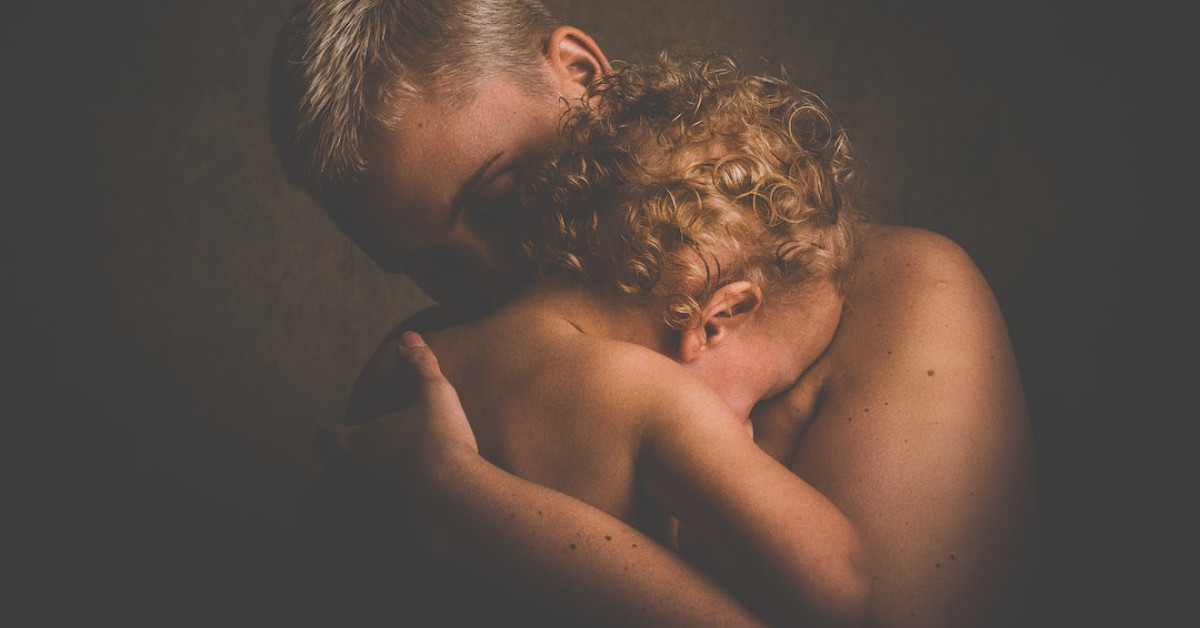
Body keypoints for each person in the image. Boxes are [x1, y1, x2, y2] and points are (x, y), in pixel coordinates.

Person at [268, 1, 1037, 626]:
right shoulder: (421, 366)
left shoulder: (902, 294)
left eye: (504, 197)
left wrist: (464, 504)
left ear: (581, 73)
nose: (499, 275)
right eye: (429, 268)